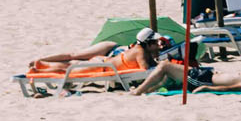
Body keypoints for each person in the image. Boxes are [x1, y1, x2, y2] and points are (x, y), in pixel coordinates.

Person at [31, 27, 167, 76]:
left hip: (104, 62)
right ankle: (41, 69)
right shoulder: (140, 52)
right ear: (148, 43)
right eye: (156, 42)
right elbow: (145, 69)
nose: (158, 44)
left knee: (71, 65)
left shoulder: (140, 50)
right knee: (70, 68)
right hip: (104, 64)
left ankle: (43, 65)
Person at [131, 62, 241, 95]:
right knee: (169, 75)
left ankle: (138, 91)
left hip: (203, 80)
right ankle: (147, 90)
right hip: (205, 76)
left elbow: (229, 89)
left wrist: (207, 88)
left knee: (164, 66)